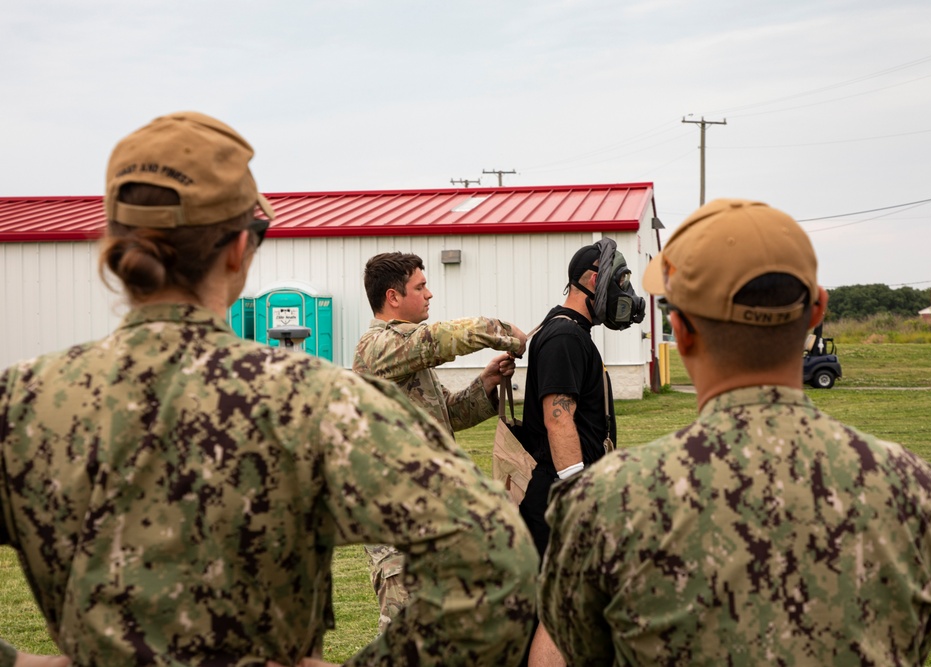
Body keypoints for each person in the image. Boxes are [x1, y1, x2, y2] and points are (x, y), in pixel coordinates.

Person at [0, 111, 538, 667]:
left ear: (116, 248)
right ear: (240, 248)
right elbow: (499, 556)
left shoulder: (21, 402)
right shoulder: (313, 400)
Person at [539, 198, 931, 665]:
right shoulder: (915, 490)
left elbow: (578, 648)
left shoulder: (605, 502)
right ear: (816, 310)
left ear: (681, 327)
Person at [353, 251, 528, 633]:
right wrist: (500, 331)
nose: (429, 294)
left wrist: (485, 384)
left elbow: (447, 414)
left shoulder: (405, 353)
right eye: (420, 286)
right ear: (393, 297)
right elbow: (438, 339)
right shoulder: (377, 347)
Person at [518, 238, 645, 666]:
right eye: (620, 280)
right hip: (561, 498)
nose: (625, 293)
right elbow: (558, 418)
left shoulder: (573, 334)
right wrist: (577, 495)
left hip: (566, 493)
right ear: (593, 279)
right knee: (562, 609)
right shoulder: (564, 337)